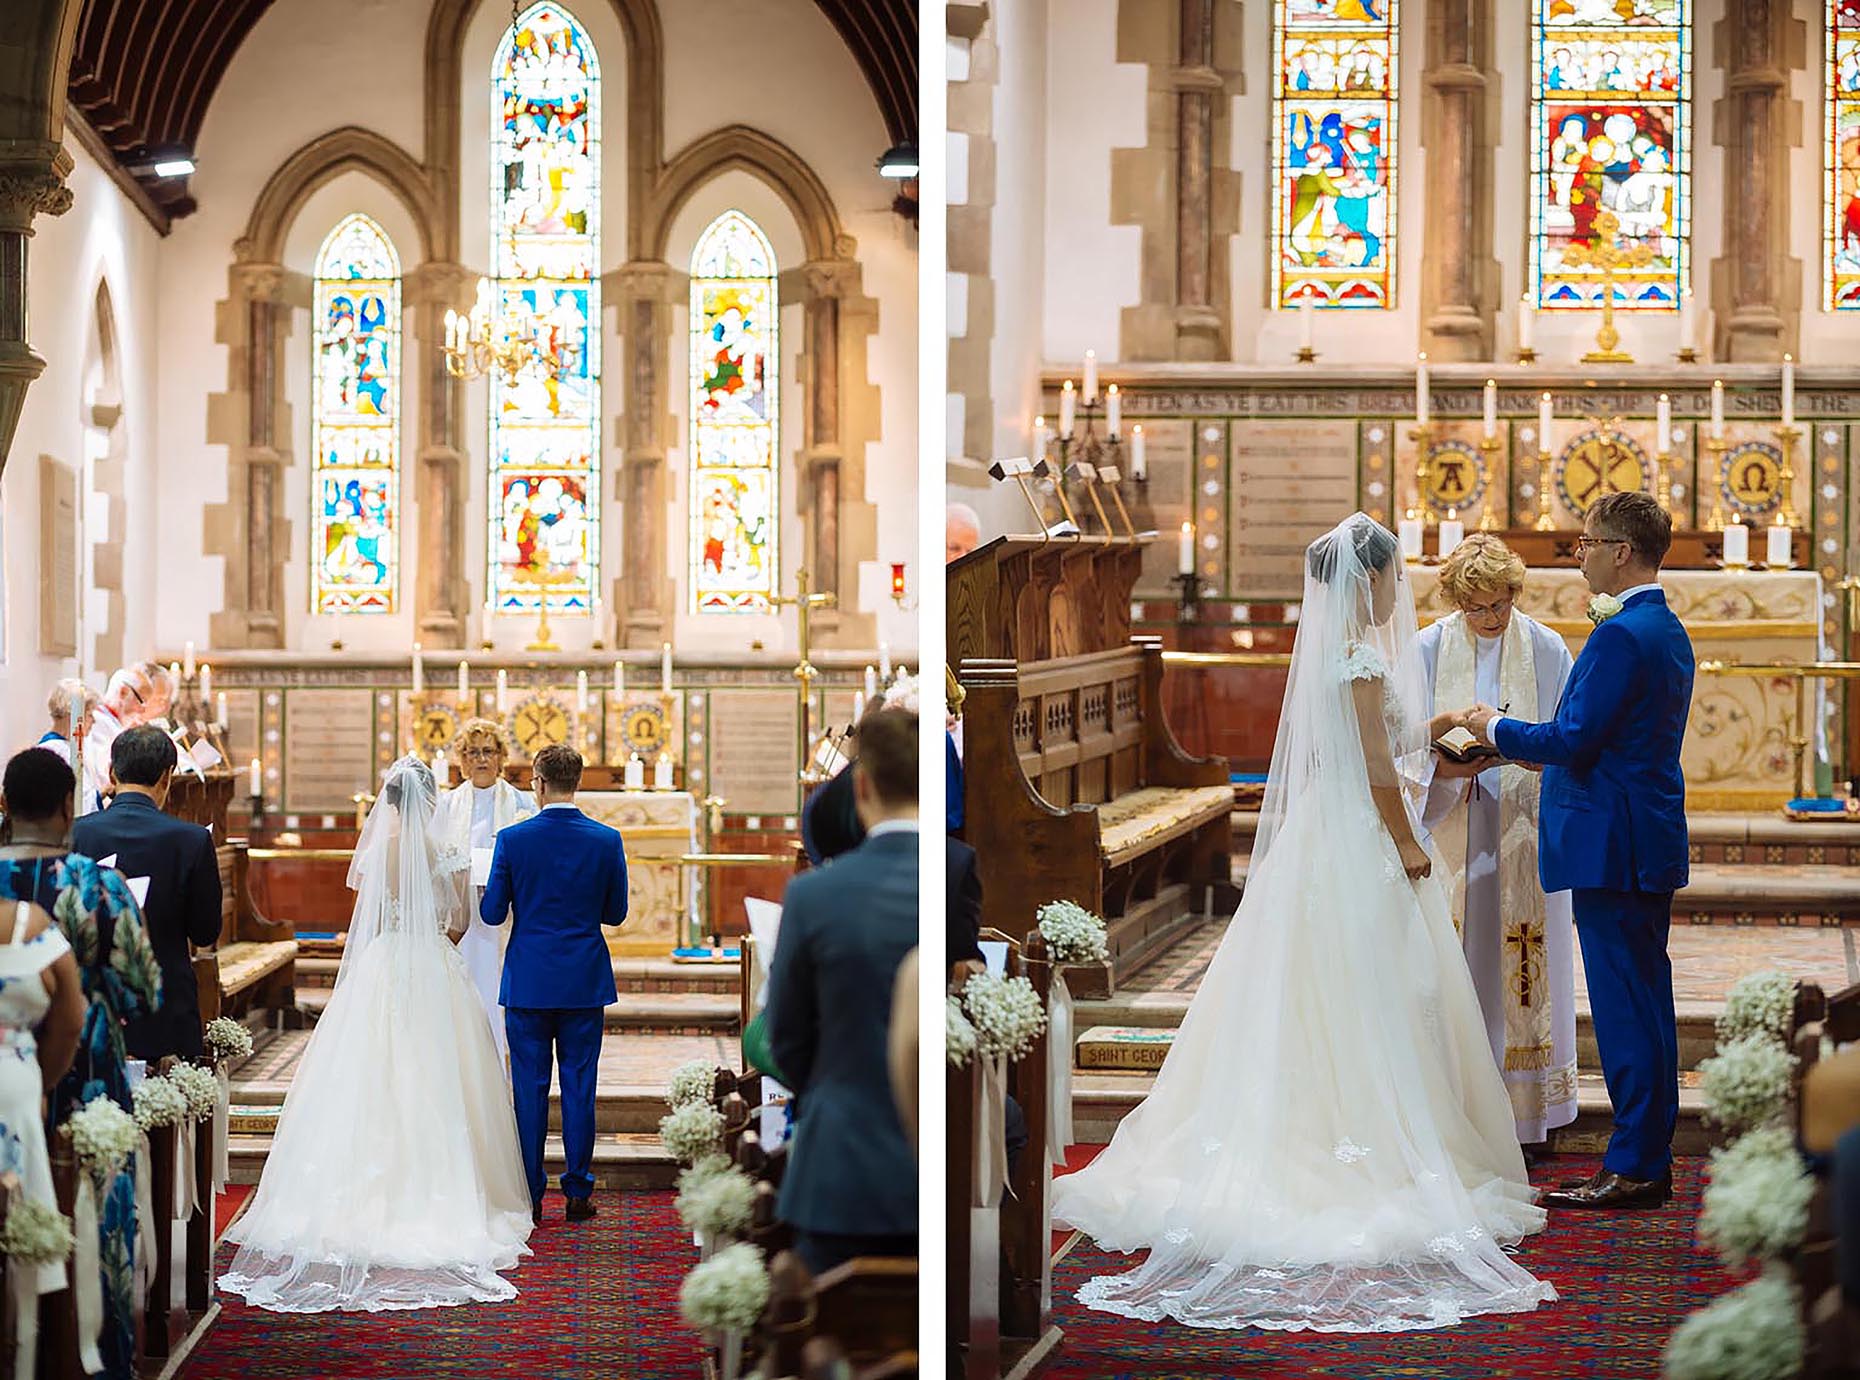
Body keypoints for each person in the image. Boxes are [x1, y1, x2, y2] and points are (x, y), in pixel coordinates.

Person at [1053, 514, 1553, 1332]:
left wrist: (1449, 720)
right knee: (1373, 991)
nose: (1400, 590)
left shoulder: (1344, 654)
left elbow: (1388, 740)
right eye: (1393, 577)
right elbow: (1374, 770)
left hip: (1331, 834)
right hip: (1363, 836)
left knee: (1333, 992)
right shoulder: (1359, 658)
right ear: (1371, 580)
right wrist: (1406, 846)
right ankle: (1360, 1149)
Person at [220, 756, 532, 1312]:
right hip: (433, 966)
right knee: (439, 1079)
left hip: (383, 966)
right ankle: (442, 1193)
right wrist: (433, 944)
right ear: (433, 801)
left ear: (388, 802)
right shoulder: (448, 852)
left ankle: (353, 1195)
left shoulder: (376, 853)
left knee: (368, 1074)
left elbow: (371, 919)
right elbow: (460, 921)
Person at [1463, 490, 1693, 1211]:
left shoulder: (1622, 636)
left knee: (1628, 1009)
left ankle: (1633, 1166)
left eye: (1586, 542)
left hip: (1612, 845)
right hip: (1638, 837)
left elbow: (1574, 739)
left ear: (1622, 552)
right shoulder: (1664, 627)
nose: (1580, 554)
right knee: (1647, 1003)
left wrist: (1495, 727)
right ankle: (1646, 1155)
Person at [0, 747, 161, 1378]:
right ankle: (99, 1353)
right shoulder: (99, 886)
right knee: (96, 1214)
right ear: (71, 807)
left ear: (6, 807)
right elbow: (142, 992)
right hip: (87, 1072)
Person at [1416, 535, 1579, 1152]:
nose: (1490, 617)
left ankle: (1525, 1114)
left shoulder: (1545, 646)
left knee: (1521, 955)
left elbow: (1566, 732)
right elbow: (1403, 736)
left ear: (1515, 593)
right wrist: (1445, 757)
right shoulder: (1428, 646)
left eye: (1500, 603)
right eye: (1476, 607)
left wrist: (1521, 748)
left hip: (1523, 824)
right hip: (1451, 819)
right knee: (1460, 957)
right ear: (1457, 602)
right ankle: (1456, 1110)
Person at [766, 707, 919, 1276]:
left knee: (827, 1326)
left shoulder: (815, 895)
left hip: (841, 1162)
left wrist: (828, 1092)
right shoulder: (955, 869)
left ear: (860, 783)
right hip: (948, 1161)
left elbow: (785, 1035)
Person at [480, 744, 628, 1225]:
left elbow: (492, 913)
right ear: (577, 782)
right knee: (580, 1085)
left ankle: (530, 1194)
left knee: (529, 1088)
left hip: (528, 980)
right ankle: (579, 1192)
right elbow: (616, 913)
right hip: (584, 978)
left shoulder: (513, 839)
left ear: (537, 784)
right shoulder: (606, 840)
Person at [70, 726, 224, 1062]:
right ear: (167, 777)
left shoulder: (77, 833)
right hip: (165, 1007)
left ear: (111, 772)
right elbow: (205, 931)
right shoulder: (192, 840)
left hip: (91, 1006)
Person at [0, 890, 84, 1380]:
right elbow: (71, 1020)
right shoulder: (28, 923)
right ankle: (27, 1354)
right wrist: (41, 1080)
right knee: (22, 1221)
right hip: (13, 1086)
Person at [433, 719, 536, 1063]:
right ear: (461, 760)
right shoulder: (446, 805)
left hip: (503, 918)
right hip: (460, 918)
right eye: (472, 752)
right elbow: (433, 861)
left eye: (488, 751)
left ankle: (497, 1062)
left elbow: (533, 858)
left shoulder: (522, 805)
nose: (480, 759)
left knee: (496, 991)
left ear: (501, 757)